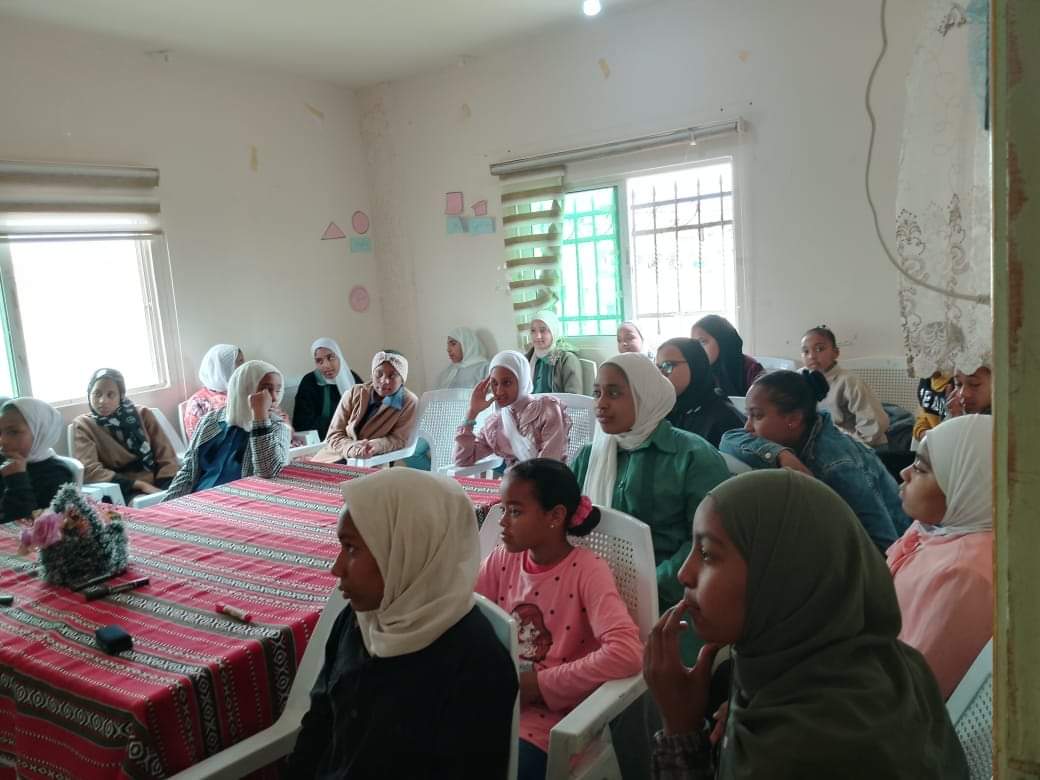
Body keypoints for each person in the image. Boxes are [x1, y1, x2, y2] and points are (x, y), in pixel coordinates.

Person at [644, 470, 968, 779]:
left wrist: (680, 730)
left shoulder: (795, 753)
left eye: (707, 554)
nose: (683, 573)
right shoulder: (896, 663)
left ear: (781, 576)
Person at [287, 469, 518, 778]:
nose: (336, 568)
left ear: (408, 549)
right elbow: (318, 726)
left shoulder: (477, 665)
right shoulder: (358, 621)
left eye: (352, 548)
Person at [476, 458, 643, 779]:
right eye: (503, 509)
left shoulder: (587, 571)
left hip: (549, 723)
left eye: (515, 512)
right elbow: (470, 618)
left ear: (555, 516)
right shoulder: (502, 560)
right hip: (497, 701)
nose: (502, 521)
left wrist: (539, 685)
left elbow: (627, 652)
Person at [570, 353, 730, 617]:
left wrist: (644, 588)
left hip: (675, 599)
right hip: (595, 590)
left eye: (614, 393)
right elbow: (565, 522)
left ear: (644, 396)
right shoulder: (590, 456)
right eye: (597, 393)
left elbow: (708, 543)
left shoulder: (693, 456)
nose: (601, 404)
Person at [720, 370, 911, 553]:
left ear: (794, 419)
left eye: (757, 416)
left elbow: (884, 545)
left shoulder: (837, 466)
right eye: (748, 415)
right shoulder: (803, 432)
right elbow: (729, 438)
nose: (747, 427)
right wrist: (782, 455)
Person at [888, 414, 993, 699]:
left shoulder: (964, 575)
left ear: (967, 484)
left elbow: (910, 689)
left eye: (921, 468)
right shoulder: (937, 528)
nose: (904, 473)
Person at [164, 360, 290, 499]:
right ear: (244, 388)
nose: (274, 398)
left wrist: (260, 417)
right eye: (266, 390)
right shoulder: (210, 421)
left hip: (241, 502)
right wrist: (166, 504)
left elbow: (268, 472)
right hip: (199, 500)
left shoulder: (276, 426)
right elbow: (188, 471)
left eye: (277, 390)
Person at [72, 369, 179, 502]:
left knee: (184, 498)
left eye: (111, 395)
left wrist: (165, 487)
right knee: (144, 504)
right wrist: (140, 485)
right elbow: (90, 470)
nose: (102, 401)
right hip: (121, 489)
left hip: (159, 481)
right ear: (89, 394)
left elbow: (166, 455)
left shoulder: (143, 415)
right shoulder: (84, 425)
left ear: (121, 395)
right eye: (97, 394)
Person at [454, 350, 571, 468]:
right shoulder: (496, 424)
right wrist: (472, 412)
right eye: (494, 383)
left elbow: (549, 465)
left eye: (507, 383)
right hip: (514, 479)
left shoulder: (546, 409)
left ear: (522, 380)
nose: (499, 391)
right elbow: (462, 459)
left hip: (546, 478)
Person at [313, 351, 418, 463]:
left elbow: (399, 439)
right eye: (379, 374)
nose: (384, 381)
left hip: (370, 460)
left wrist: (375, 445)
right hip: (334, 454)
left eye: (392, 376)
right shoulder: (354, 392)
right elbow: (334, 434)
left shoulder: (408, 402)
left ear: (402, 379)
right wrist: (352, 448)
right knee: (306, 471)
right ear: (372, 374)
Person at [801, 325, 889, 446]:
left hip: (862, 446)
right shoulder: (799, 378)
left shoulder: (849, 382)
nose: (811, 356)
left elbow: (873, 425)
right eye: (805, 351)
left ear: (835, 353)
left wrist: (848, 446)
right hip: (822, 444)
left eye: (819, 349)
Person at [657, 338, 744, 447]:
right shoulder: (665, 410)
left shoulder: (723, 419)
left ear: (695, 365)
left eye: (667, 365)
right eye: (658, 368)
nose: (661, 374)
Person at [0, 398, 72, 524]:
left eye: (13, 432)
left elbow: (29, 526)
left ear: (41, 432)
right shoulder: (5, 460)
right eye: (0, 432)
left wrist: (17, 480)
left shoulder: (57, 475)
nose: (3, 441)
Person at [292, 338, 363, 440]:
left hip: (356, 436)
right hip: (324, 440)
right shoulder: (309, 382)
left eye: (331, 358)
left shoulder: (352, 378)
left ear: (339, 357)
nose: (326, 365)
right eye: (319, 361)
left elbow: (367, 410)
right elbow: (302, 423)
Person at [689, 315, 764, 397]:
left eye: (703, 342)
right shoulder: (696, 370)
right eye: (694, 344)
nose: (697, 349)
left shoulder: (751, 369)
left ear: (722, 341)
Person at [182, 344, 243, 440]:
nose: (244, 367)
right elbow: (198, 441)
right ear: (223, 367)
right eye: (239, 362)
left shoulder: (244, 391)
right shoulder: (198, 402)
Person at [525, 310, 583, 394]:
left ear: (554, 331)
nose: (537, 336)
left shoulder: (567, 359)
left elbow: (574, 396)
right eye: (533, 331)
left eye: (542, 330)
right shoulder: (526, 359)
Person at [913, 372, 953, 442]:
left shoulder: (958, 381)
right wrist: (922, 433)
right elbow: (922, 416)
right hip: (929, 439)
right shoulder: (925, 379)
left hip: (948, 440)